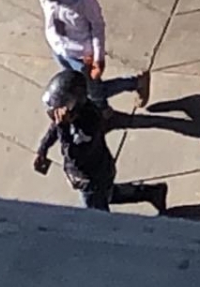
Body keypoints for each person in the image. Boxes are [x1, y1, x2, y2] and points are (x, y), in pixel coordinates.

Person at [29, 0, 150, 117]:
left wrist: (98, 59)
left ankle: (133, 85)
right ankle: (102, 108)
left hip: (82, 57)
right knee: (76, 89)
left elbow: (97, 25)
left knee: (95, 91)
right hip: (60, 51)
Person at [34, 70, 168, 213]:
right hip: (95, 173)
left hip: (93, 179)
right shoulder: (70, 116)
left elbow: (75, 157)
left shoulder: (89, 123)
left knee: (97, 214)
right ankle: (152, 193)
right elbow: (55, 126)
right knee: (108, 194)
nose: (58, 116)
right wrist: (43, 148)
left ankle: (110, 231)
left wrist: (63, 129)